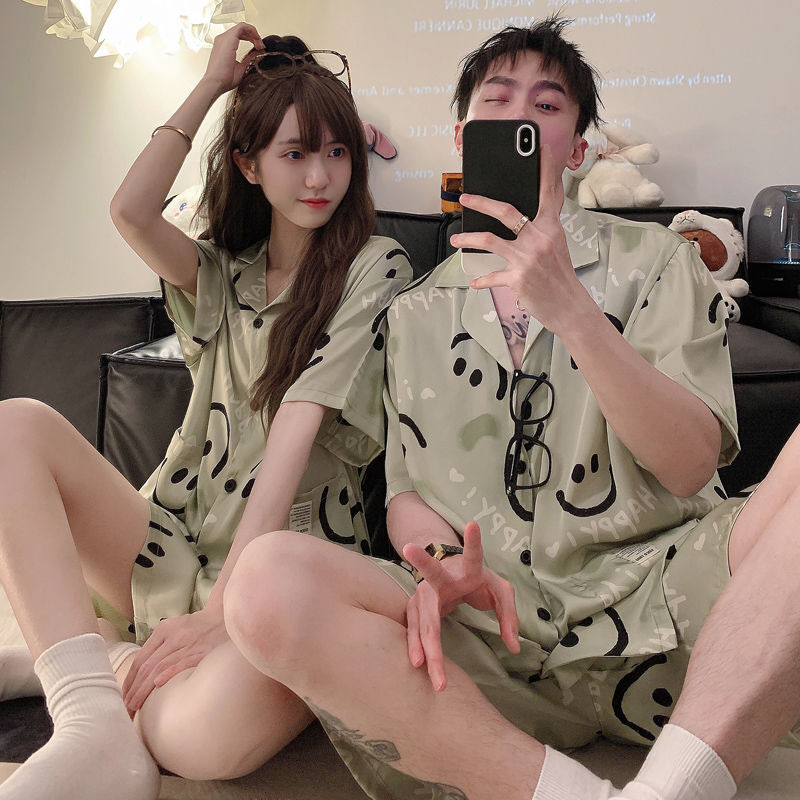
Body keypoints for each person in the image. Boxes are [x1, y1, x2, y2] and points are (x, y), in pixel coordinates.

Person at [220, 16, 800, 800]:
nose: (521, 114)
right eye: (498, 100)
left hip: (667, 602)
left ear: (579, 149)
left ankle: (675, 785)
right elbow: (405, 490)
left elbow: (691, 463)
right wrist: (438, 561)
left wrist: (574, 313)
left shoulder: (659, 260)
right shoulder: (414, 311)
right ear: (464, 139)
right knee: (264, 581)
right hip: (487, 633)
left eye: (547, 105)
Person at [0, 21, 411, 800]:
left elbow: (296, 429)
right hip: (170, 540)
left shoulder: (372, 266)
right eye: (296, 153)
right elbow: (130, 211)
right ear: (249, 165)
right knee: (12, 426)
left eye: (336, 153)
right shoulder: (222, 274)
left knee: (206, 742)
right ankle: (89, 714)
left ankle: (89, 659)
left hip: (284, 575)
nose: (320, 176)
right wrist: (212, 85)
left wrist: (221, 615)